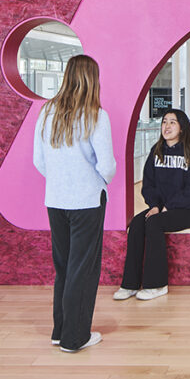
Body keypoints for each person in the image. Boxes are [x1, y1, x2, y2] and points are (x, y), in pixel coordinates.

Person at [32, 55, 115, 353]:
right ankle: (75, 337)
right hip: (87, 201)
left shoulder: (46, 112)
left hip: (55, 200)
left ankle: (60, 330)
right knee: (83, 269)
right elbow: (106, 165)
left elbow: (38, 160)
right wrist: (98, 182)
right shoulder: (96, 115)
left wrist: (60, 180)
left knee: (64, 267)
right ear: (93, 78)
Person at [116, 108, 190, 301]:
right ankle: (130, 284)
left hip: (187, 209)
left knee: (154, 223)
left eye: (173, 122)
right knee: (138, 223)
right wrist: (155, 205)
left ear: (181, 127)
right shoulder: (156, 151)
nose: (167, 126)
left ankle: (157, 285)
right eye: (164, 122)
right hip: (161, 208)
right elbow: (148, 184)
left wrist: (168, 206)